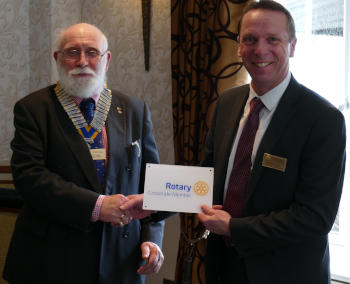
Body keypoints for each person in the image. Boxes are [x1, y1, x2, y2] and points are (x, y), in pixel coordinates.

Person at [3, 23, 165, 284]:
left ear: (107, 60)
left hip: (120, 260)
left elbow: (151, 182)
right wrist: (98, 206)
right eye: (72, 52)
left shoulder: (135, 110)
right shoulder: (33, 109)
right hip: (52, 259)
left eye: (92, 52)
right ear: (57, 58)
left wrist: (151, 239)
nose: (82, 61)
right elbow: (29, 177)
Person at [197, 1, 346, 284]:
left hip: (286, 273)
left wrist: (234, 228)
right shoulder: (226, 103)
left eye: (273, 40)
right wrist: (157, 199)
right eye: (250, 39)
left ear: (292, 46)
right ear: (239, 46)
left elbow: (315, 217)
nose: (260, 50)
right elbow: (208, 174)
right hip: (223, 267)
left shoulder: (323, 119)